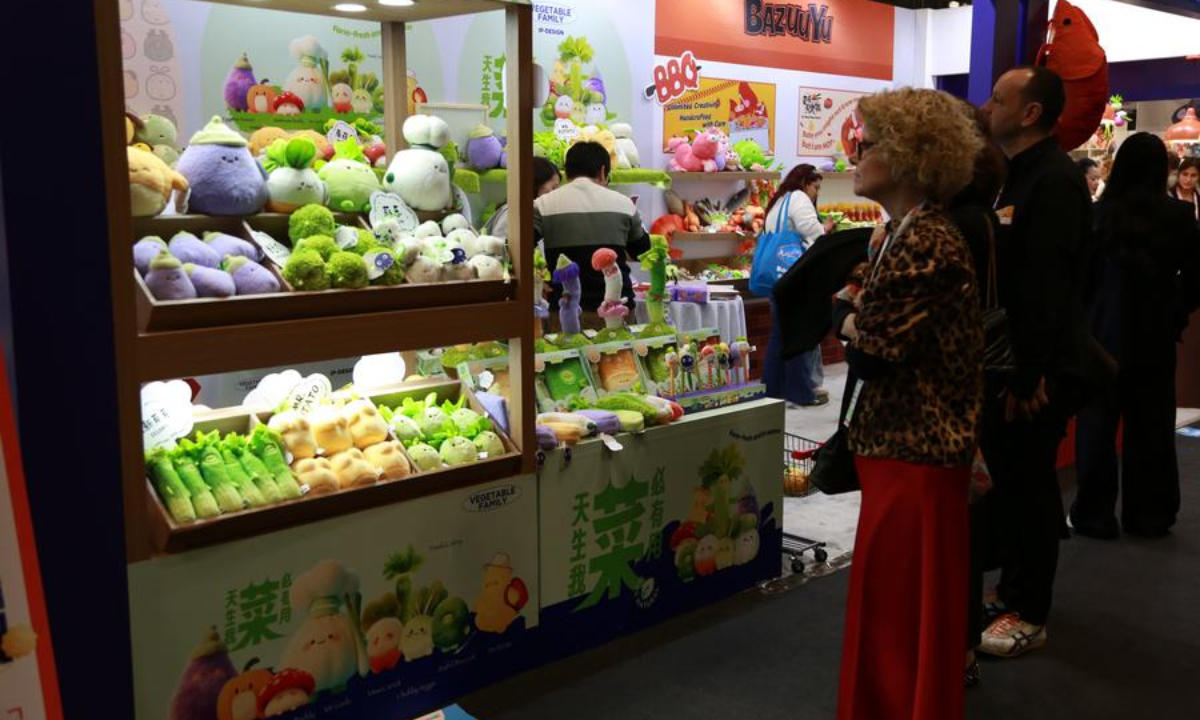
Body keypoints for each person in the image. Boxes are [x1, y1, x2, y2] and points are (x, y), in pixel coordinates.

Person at [833, 88, 984, 720]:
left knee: (901, 609)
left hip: (915, 451)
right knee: (896, 606)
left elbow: (869, 350)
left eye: (868, 142)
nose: (857, 151)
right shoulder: (900, 232)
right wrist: (852, 317)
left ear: (906, 155)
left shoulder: (925, 239)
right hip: (900, 450)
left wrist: (849, 319)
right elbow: (853, 317)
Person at [977, 66, 1098, 658]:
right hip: (1009, 366)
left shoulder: (1053, 181)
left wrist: (1031, 376)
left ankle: (1031, 610)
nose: (987, 105)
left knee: (1030, 485)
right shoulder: (1010, 176)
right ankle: (1014, 589)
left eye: (999, 98)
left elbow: (1048, 289)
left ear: (1030, 113)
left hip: (1039, 370)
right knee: (1010, 483)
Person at [1074, 134, 1200, 538]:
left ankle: (1095, 513)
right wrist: (1177, 311)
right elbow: (1197, 279)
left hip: (1101, 335)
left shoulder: (1097, 217)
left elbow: (1079, 280)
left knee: (1096, 428)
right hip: (1156, 336)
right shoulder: (1179, 218)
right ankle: (1149, 514)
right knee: (1151, 429)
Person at [948, 102, 1008, 689]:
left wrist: (853, 318)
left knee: (951, 532)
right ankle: (956, 645)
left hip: (943, 412)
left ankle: (952, 649)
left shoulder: (951, 226)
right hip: (967, 395)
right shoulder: (979, 215)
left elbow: (883, 345)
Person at [534, 142, 650, 325]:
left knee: (567, 353)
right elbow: (643, 251)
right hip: (616, 308)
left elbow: (521, 247)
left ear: (567, 171)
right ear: (603, 171)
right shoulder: (625, 204)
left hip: (565, 310)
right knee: (618, 353)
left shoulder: (542, 204)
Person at [762, 164, 835, 407]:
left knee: (780, 336)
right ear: (805, 182)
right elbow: (813, 233)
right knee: (798, 335)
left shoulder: (778, 202)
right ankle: (801, 393)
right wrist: (826, 229)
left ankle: (774, 392)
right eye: (816, 187)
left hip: (777, 276)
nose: (816, 193)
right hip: (795, 276)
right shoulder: (799, 198)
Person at [484, 156, 561, 239]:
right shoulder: (511, 214)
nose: (557, 193)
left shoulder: (536, 213)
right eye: (554, 187)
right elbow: (499, 248)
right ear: (536, 184)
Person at [1170, 156, 1200, 224]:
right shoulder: (1169, 195)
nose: (1188, 180)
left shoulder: (1197, 197)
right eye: (1185, 174)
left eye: (1193, 175)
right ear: (1179, 175)